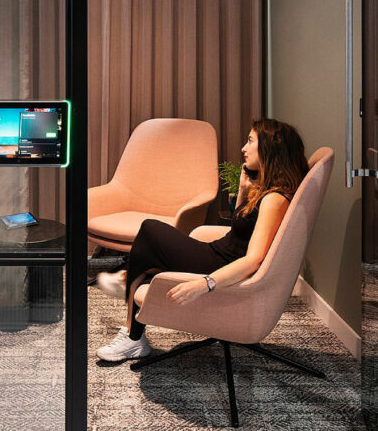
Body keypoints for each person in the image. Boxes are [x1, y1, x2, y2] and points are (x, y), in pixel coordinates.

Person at [94, 118, 309, 362]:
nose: (243, 148)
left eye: (250, 141)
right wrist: (242, 189)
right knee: (149, 249)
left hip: (219, 264)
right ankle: (129, 299)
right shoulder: (267, 191)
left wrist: (206, 283)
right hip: (217, 251)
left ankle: (132, 329)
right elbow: (239, 228)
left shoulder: (274, 200)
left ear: (270, 148)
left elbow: (254, 259)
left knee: (150, 232)